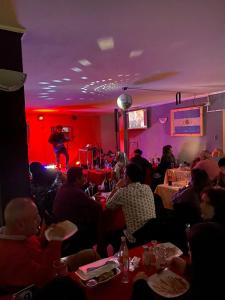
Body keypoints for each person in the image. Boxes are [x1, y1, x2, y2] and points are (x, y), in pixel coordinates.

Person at [0, 197, 99, 297]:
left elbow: (35, 245)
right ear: (21, 224)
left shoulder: (18, 234)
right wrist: (56, 240)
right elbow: (46, 278)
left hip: (49, 266)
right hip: (43, 288)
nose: (39, 220)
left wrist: (46, 237)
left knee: (90, 255)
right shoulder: (12, 255)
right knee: (90, 257)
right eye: (35, 217)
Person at [53, 167, 103, 256]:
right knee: (99, 218)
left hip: (62, 224)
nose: (85, 178)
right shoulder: (75, 191)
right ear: (77, 179)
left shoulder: (64, 187)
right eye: (83, 176)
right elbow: (97, 207)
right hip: (74, 228)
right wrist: (96, 201)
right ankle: (97, 251)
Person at [106, 163, 156, 250]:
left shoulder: (122, 192)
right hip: (152, 231)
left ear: (127, 177)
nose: (122, 176)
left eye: (124, 174)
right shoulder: (147, 188)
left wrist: (116, 187)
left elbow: (108, 205)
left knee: (110, 233)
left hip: (136, 236)